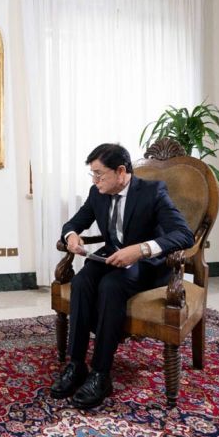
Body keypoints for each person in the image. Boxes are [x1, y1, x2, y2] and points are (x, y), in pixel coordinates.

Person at [51, 143, 193, 409]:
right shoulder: (98, 193)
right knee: (81, 282)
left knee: (111, 286)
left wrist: (141, 249)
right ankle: (77, 364)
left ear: (120, 171)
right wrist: (71, 237)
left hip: (148, 265)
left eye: (99, 174)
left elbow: (184, 234)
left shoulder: (153, 192)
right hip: (112, 256)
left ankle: (101, 374)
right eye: (91, 174)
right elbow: (73, 224)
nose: (94, 180)